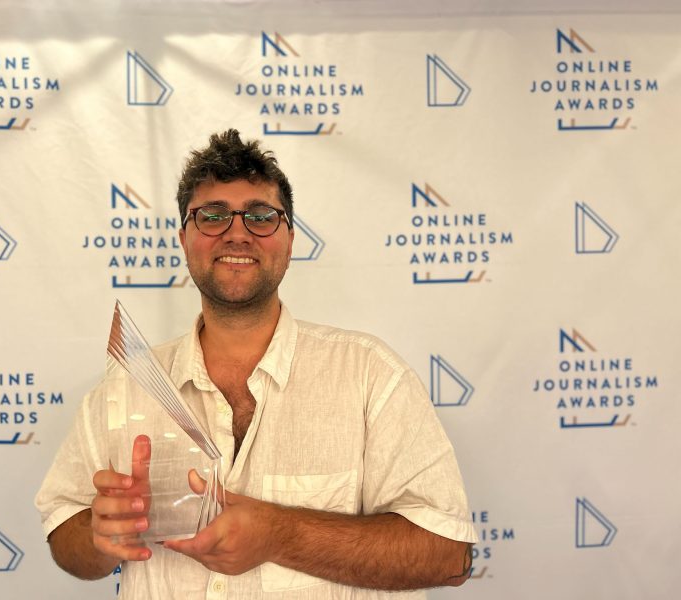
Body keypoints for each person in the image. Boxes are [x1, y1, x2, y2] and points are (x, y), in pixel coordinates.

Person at [36, 129, 478, 599]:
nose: (238, 232)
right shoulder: (127, 385)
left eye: (261, 216)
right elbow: (66, 535)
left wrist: (278, 533)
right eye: (213, 216)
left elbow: (448, 554)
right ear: (185, 239)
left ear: (290, 240)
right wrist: (101, 538)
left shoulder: (371, 376)